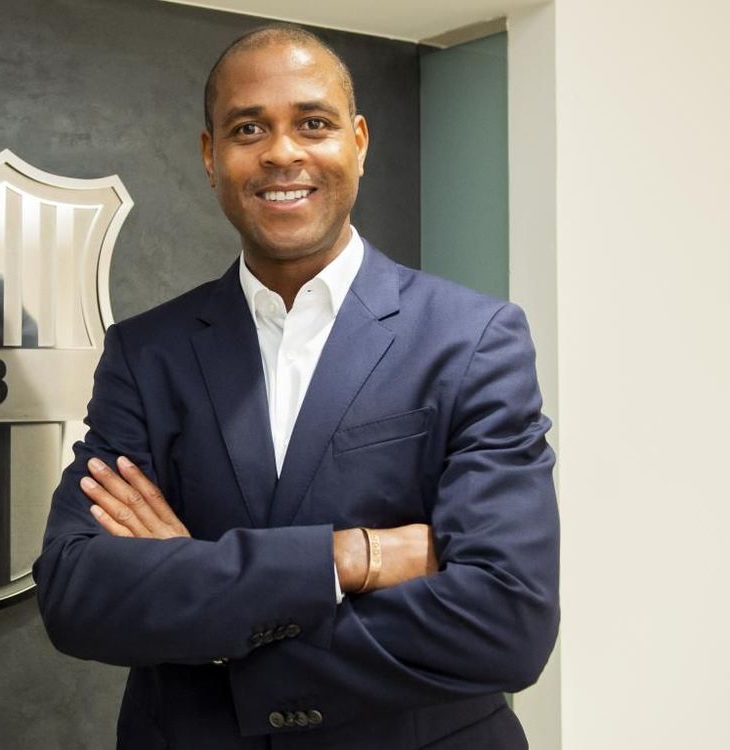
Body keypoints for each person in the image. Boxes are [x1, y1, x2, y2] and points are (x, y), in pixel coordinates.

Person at [33, 23, 559, 750]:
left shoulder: (472, 339)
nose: (282, 152)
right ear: (210, 155)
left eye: (313, 123)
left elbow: (506, 622)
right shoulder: (147, 354)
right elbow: (77, 593)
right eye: (249, 128)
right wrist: (348, 558)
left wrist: (213, 619)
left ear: (359, 142)